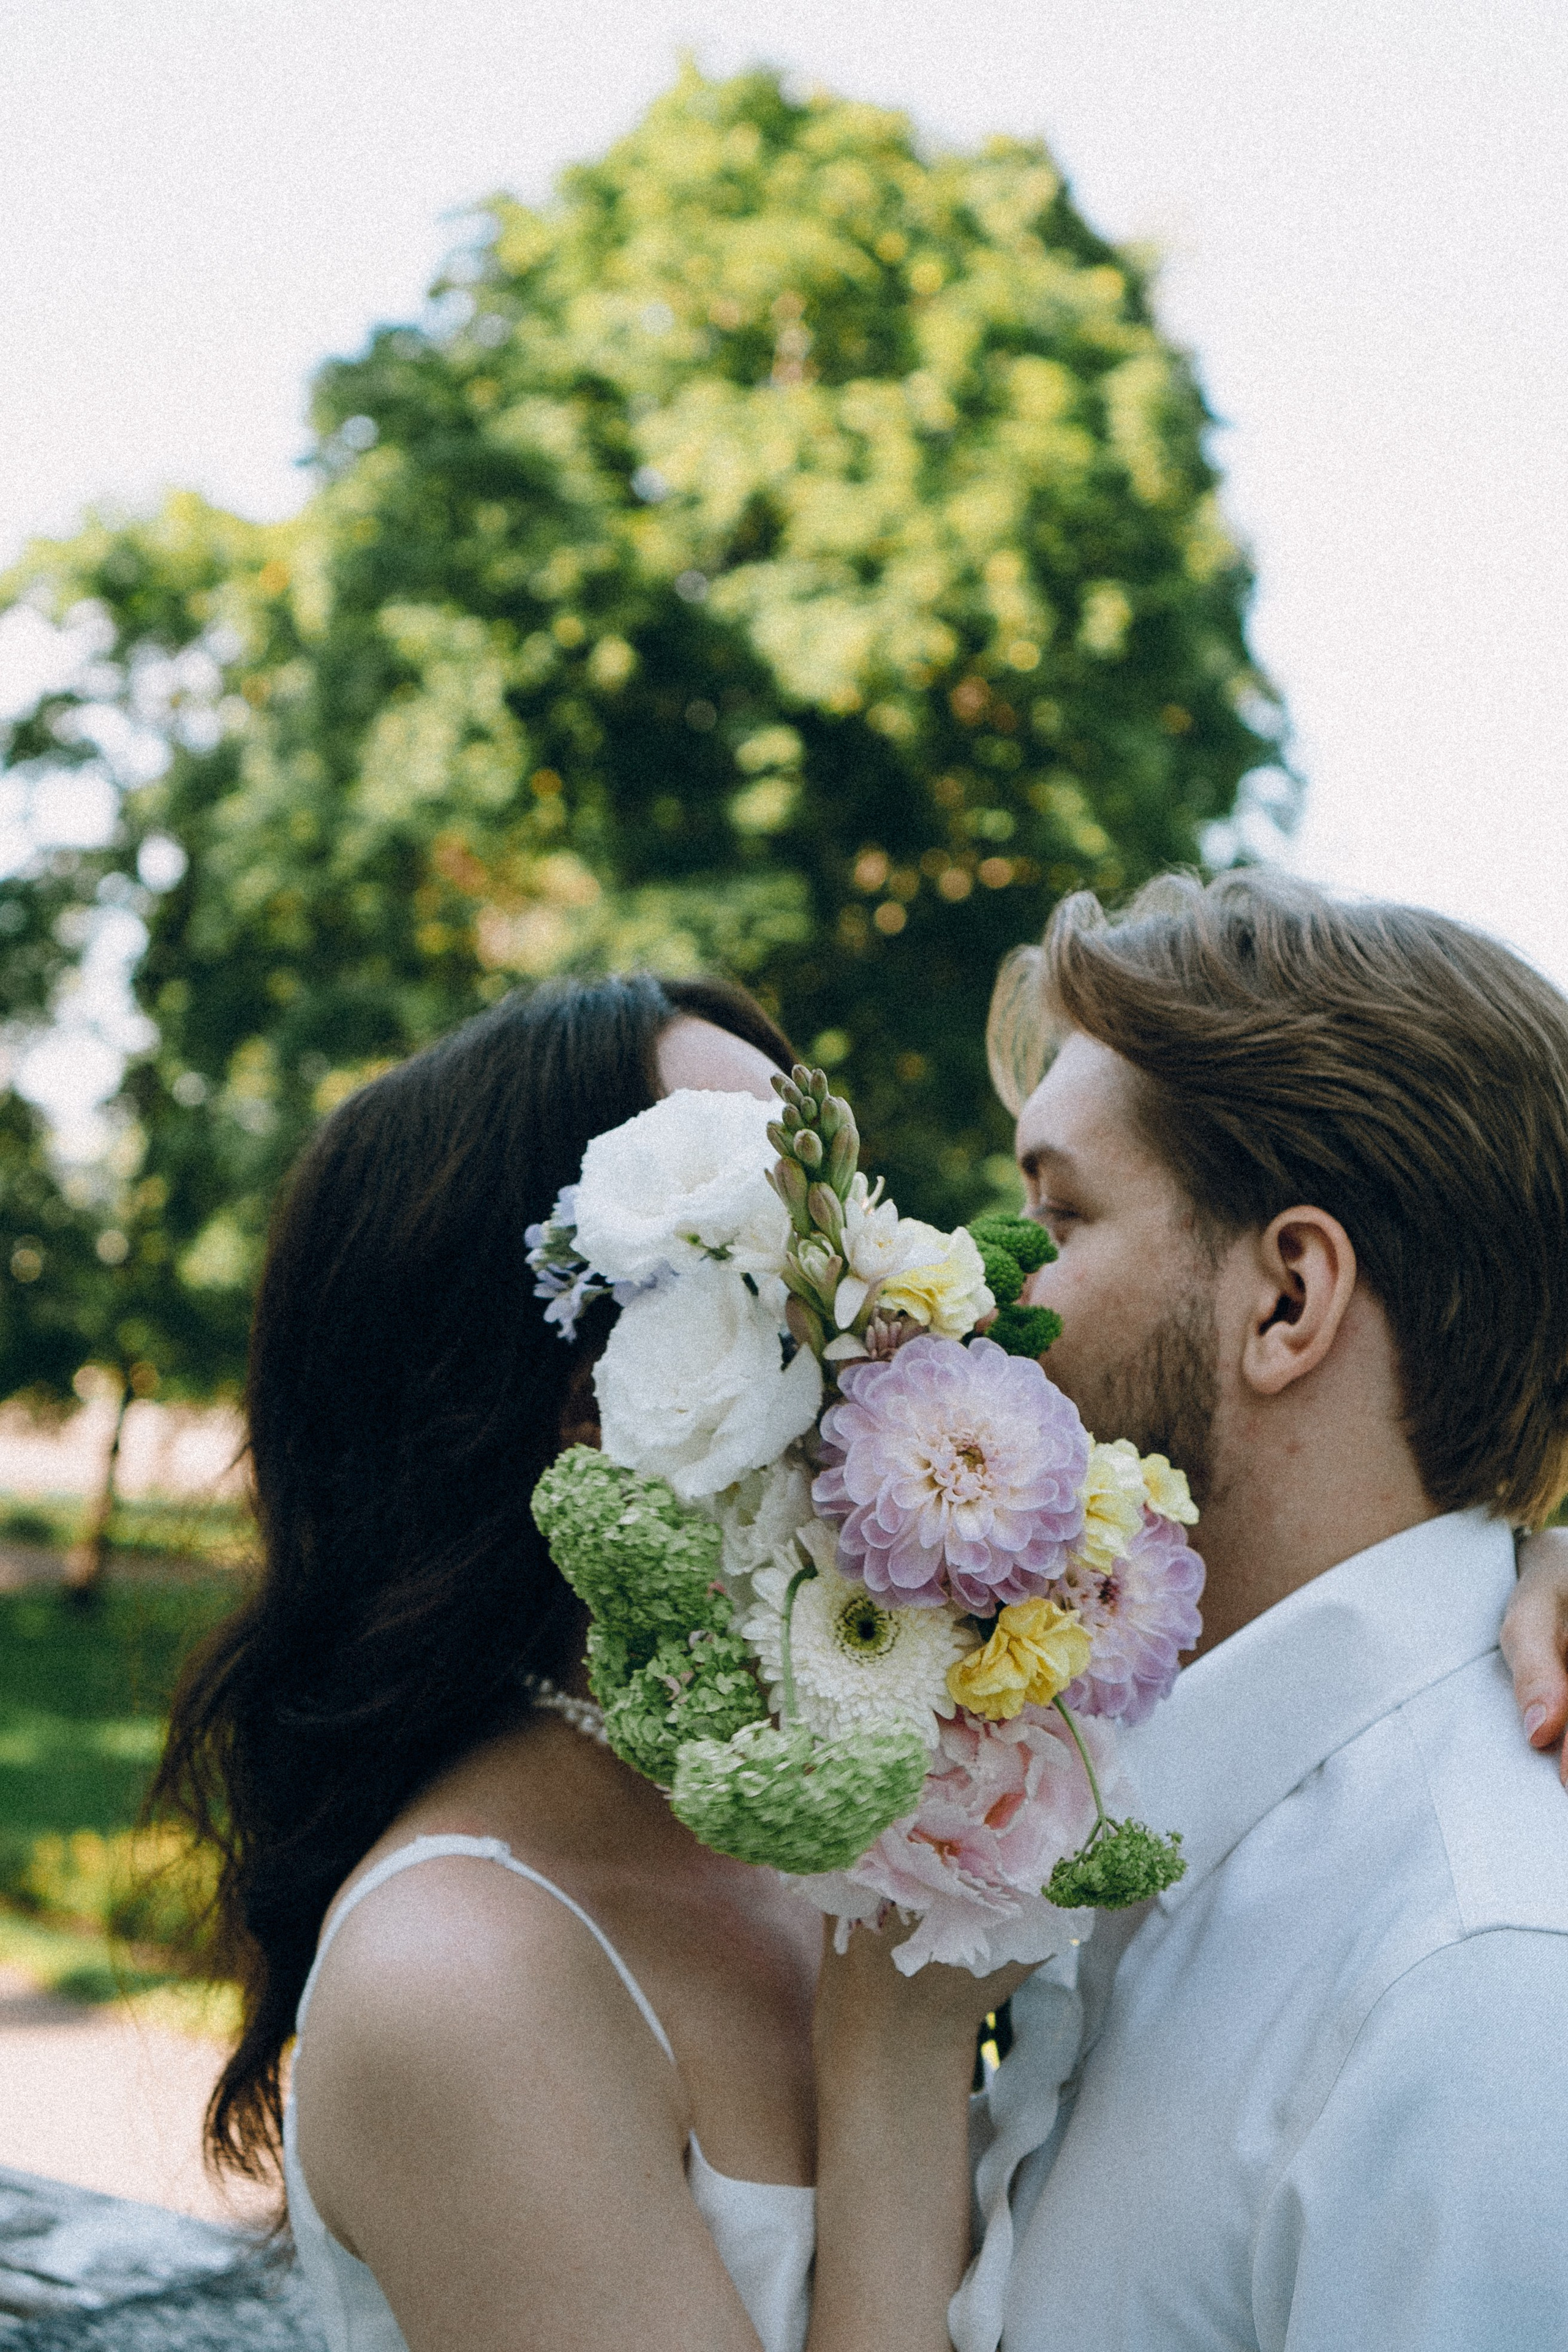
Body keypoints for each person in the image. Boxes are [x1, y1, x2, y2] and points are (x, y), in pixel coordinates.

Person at [152, 970, 1033, 2352]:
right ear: (588, 1406)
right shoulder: (463, 1976)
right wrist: (900, 2061)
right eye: (792, 1244)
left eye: (856, 1213)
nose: (896, 1304)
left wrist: (1510, 1568)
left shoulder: (826, 1798)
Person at [970, 873, 1568, 2352]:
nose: (987, 1308)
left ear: (1286, 1299)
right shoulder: (1146, 1830)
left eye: (1056, 1217)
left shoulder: (1471, 1982)